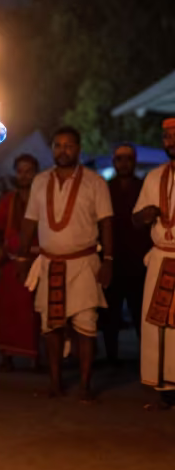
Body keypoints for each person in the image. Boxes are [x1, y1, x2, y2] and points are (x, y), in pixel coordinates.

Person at [17, 127, 113, 401]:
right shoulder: (40, 181)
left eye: (69, 146)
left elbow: (107, 222)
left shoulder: (95, 182)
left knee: (86, 326)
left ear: (79, 149)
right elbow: (29, 222)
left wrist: (108, 260)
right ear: (52, 149)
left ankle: (85, 384)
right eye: (58, 145)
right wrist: (23, 256)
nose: (63, 150)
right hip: (49, 263)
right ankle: (55, 383)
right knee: (52, 327)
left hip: (84, 263)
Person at [132, 118, 175, 406]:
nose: (170, 142)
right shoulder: (153, 176)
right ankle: (161, 386)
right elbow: (135, 219)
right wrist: (145, 215)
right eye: (167, 137)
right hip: (159, 258)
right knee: (155, 324)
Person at [102, 144, 149, 365]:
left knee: (140, 313)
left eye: (128, 158)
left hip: (138, 261)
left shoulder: (144, 187)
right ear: (114, 161)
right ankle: (111, 356)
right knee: (110, 314)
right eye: (119, 158)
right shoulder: (105, 188)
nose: (123, 163)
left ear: (134, 161)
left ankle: (147, 360)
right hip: (113, 259)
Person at [0, 155, 40, 370]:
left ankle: (36, 356)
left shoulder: (42, 199)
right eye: (20, 171)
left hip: (36, 262)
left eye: (29, 171)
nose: (24, 175)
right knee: (8, 310)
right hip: (10, 263)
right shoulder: (8, 200)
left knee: (34, 311)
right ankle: (6, 354)